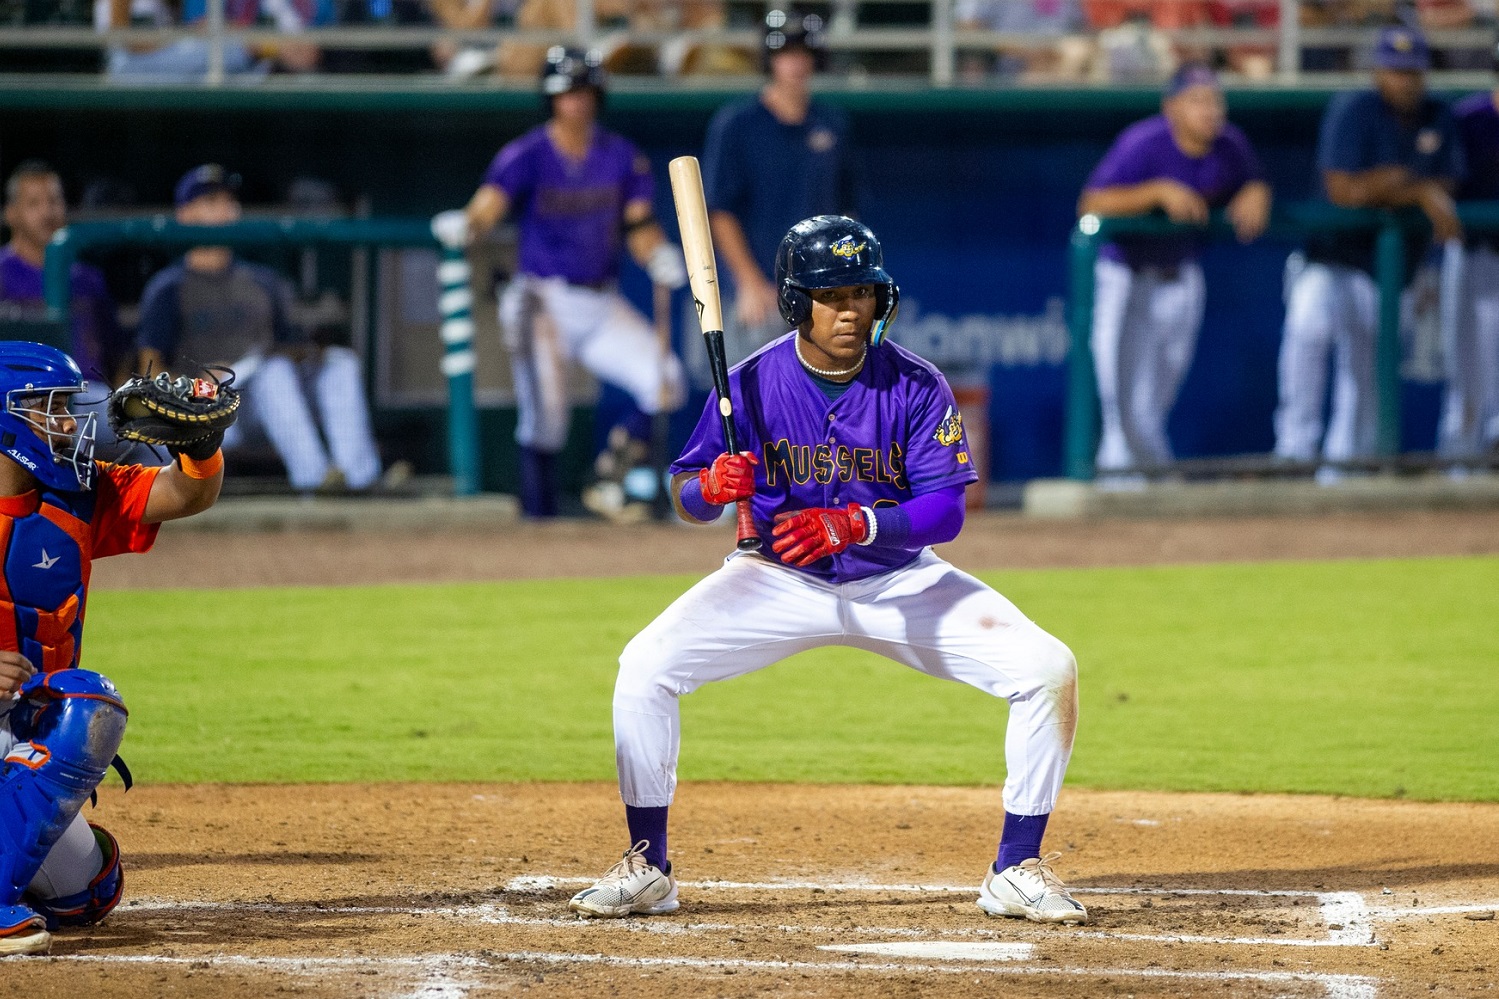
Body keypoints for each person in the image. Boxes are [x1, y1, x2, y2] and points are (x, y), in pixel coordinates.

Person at [567, 216, 1086, 925]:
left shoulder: (914, 383)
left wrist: (858, 522)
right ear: (793, 303)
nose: (850, 311)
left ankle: (1014, 867)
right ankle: (647, 862)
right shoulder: (749, 385)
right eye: (831, 295)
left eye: (862, 294)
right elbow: (683, 490)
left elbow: (945, 513)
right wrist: (710, 487)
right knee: (643, 665)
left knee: (1046, 667)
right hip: (776, 578)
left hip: (901, 580)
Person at [0, 340, 225, 956]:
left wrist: (199, 448)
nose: (69, 424)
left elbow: (186, 494)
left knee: (90, 891)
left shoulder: (75, 496)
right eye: (48, 409)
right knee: (88, 704)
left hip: (16, 732)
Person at [441, 47, 687, 518]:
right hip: (542, 300)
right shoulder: (528, 153)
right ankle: (540, 520)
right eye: (566, 94)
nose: (575, 103)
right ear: (551, 99)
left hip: (600, 301)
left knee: (665, 379)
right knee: (545, 419)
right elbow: (489, 206)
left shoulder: (621, 157)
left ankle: (609, 475)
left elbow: (639, 225)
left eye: (584, 92)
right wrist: (467, 224)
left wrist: (657, 254)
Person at [1274, 26, 1463, 480]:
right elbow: (1344, 190)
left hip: (1388, 271)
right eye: (1395, 71)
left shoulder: (1438, 117)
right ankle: (1294, 454)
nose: (1404, 81)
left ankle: (1343, 469)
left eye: (1412, 72)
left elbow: (1450, 184)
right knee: (1307, 330)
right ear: (1378, 71)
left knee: (1366, 375)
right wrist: (1413, 187)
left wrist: (1392, 187)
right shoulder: (1354, 110)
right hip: (1330, 257)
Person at [135, 165, 386, 494]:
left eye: (229, 201)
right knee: (273, 373)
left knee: (337, 365)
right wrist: (194, 387)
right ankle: (316, 483)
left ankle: (360, 482)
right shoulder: (169, 287)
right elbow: (149, 371)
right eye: (211, 201)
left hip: (268, 400)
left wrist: (305, 354)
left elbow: (289, 346)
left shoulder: (262, 281)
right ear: (185, 214)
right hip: (209, 410)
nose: (225, 210)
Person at [1079, 63, 1271, 481]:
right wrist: (1157, 190)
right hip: (1125, 276)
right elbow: (1091, 203)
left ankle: (1134, 481)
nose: (1210, 111)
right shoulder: (1144, 142)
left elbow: (1253, 179)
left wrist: (1257, 191)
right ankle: (1149, 480)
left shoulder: (1230, 145)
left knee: (1155, 399)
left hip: (1179, 275)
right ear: (1172, 107)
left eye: (1216, 101)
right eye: (1197, 101)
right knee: (1118, 396)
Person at [701, 9, 860, 370]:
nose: (795, 64)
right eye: (785, 54)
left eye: (802, 54)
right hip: (760, 291)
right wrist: (748, 282)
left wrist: (846, 281)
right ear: (770, 60)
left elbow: (846, 212)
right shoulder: (737, 125)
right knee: (755, 399)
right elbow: (721, 211)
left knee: (831, 396)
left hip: (824, 289)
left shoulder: (832, 124)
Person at [1440, 46, 1499, 464]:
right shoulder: (1467, 119)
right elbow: (1441, 189)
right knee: (1467, 376)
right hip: (1475, 255)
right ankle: (1458, 469)